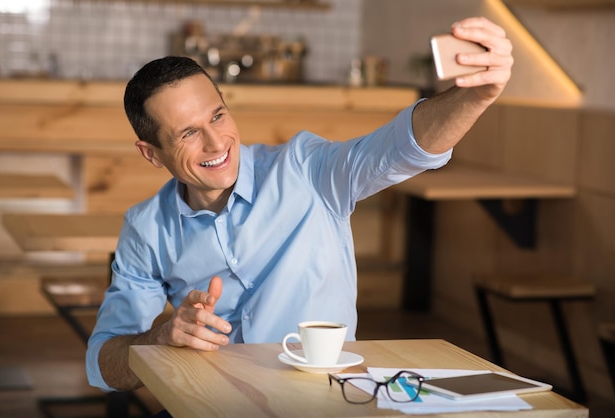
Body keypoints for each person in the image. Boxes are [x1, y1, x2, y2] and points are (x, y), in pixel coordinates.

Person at [86, 16, 513, 392]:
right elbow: (103, 365)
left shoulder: (306, 169)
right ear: (152, 153)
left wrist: (475, 96)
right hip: (215, 402)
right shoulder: (146, 228)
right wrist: (162, 337)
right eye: (187, 133)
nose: (217, 143)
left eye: (218, 116)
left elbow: (400, 148)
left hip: (329, 399)